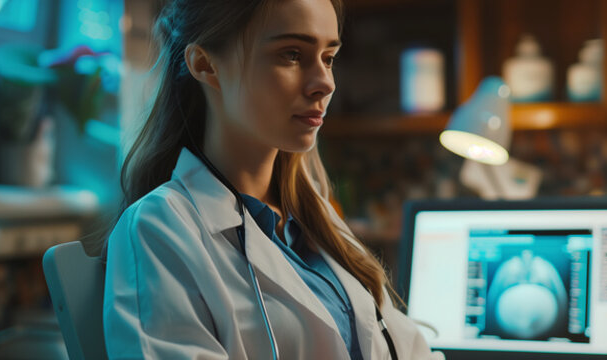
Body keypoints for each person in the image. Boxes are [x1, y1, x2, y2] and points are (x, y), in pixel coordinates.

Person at [100, 0, 443, 359]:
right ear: (205, 64)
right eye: (292, 54)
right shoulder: (160, 229)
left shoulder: (317, 223)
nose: (325, 83)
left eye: (328, 58)